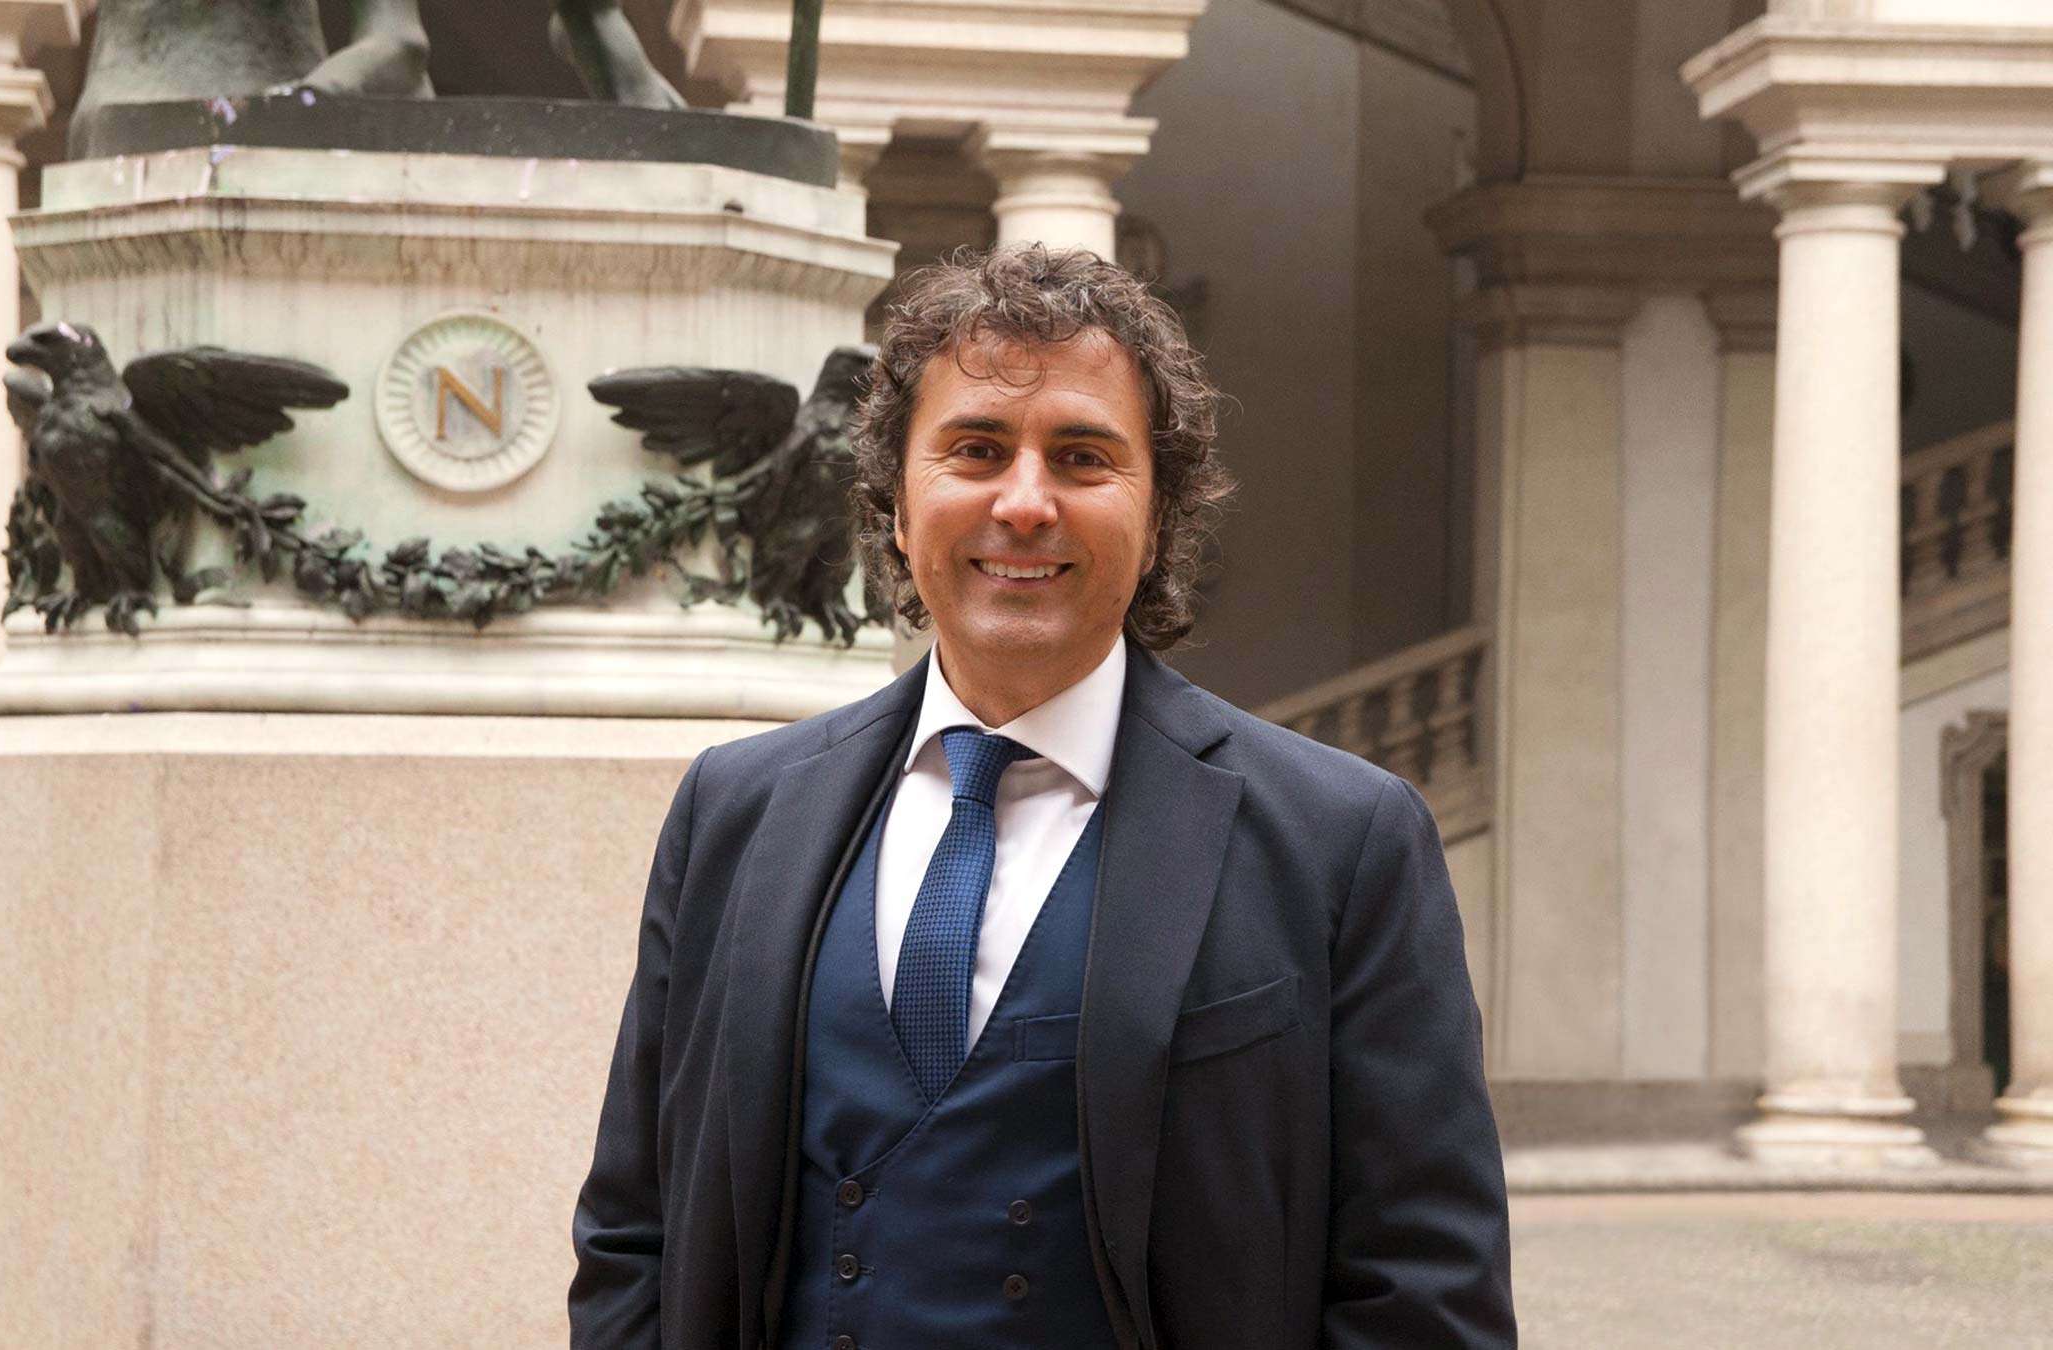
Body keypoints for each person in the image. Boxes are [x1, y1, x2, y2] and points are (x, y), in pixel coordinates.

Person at [568, 244, 1516, 1349]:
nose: (1024, 503)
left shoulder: (1344, 842)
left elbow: (1423, 1288)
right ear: (896, 504)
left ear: (1158, 517)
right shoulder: (734, 812)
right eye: (975, 449)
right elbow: (635, 1232)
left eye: (1082, 457)